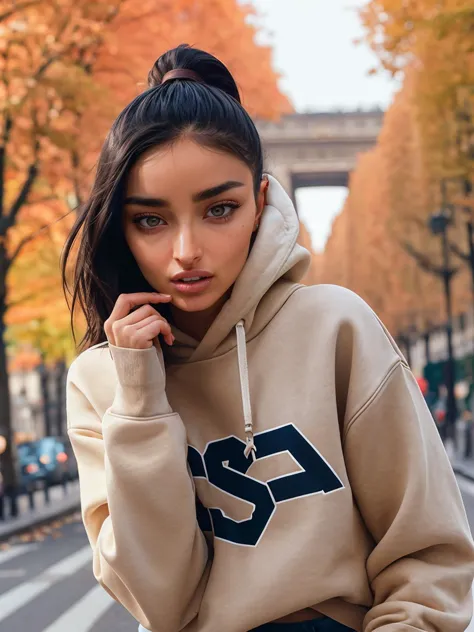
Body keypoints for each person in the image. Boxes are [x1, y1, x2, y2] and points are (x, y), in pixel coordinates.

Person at [62, 44, 474, 632]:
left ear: (260, 204)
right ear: (119, 228)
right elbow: (160, 603)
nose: (186, 252)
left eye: (219, 209)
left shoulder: (336, 328)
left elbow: (428, 554)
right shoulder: (100, 382)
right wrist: (140, 402)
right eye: (151, 219)